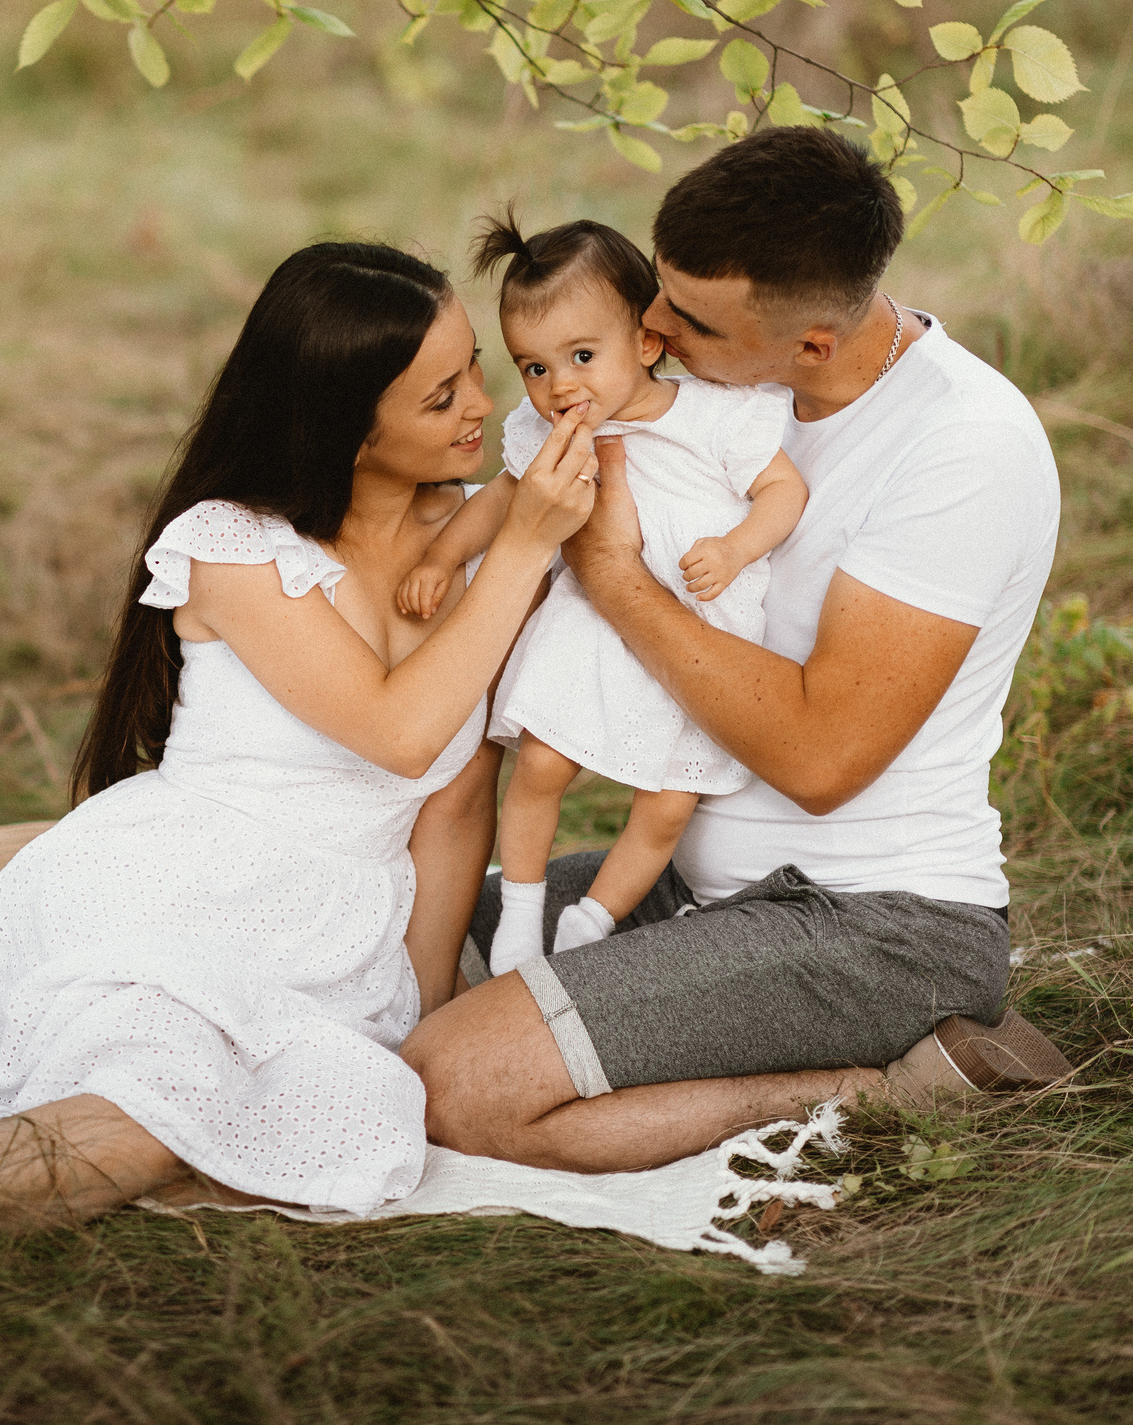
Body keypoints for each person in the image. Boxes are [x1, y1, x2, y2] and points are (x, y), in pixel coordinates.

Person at [0, 240, 600, 1312]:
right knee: (156, 1102)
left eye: (474, 366)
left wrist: (422, 1004)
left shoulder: (464, 537)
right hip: (179, 893)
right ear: (344, 421)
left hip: (335, 934)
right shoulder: (236, 547)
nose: (480, 406)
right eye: (441, 393)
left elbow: (455, 792)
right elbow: (395, 732)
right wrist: (521, 553)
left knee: (326, 1113)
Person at [401, 127, 1076, 1177]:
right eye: (655, 294)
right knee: (378, 939)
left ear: (809, 341)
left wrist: (617, 579)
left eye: (688, 316)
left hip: (874, 920)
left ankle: (883, 1084)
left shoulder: (961, 447)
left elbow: (820, 759)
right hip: (687, 884)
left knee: (450, 1081)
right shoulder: (711, 395)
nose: (651, 327)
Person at [400, 215, 807, 975]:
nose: (560, 387)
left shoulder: (715, 417)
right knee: (543, 762)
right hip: (591, 616)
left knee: (668, 801)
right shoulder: (545, 430)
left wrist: (735, 546)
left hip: (697, 625)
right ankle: (521, 913)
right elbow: (498, 497)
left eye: (582, 356)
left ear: (647, 343)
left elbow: (784, 491)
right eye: (533, 367)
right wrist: (442, 552)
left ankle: (593, 918)